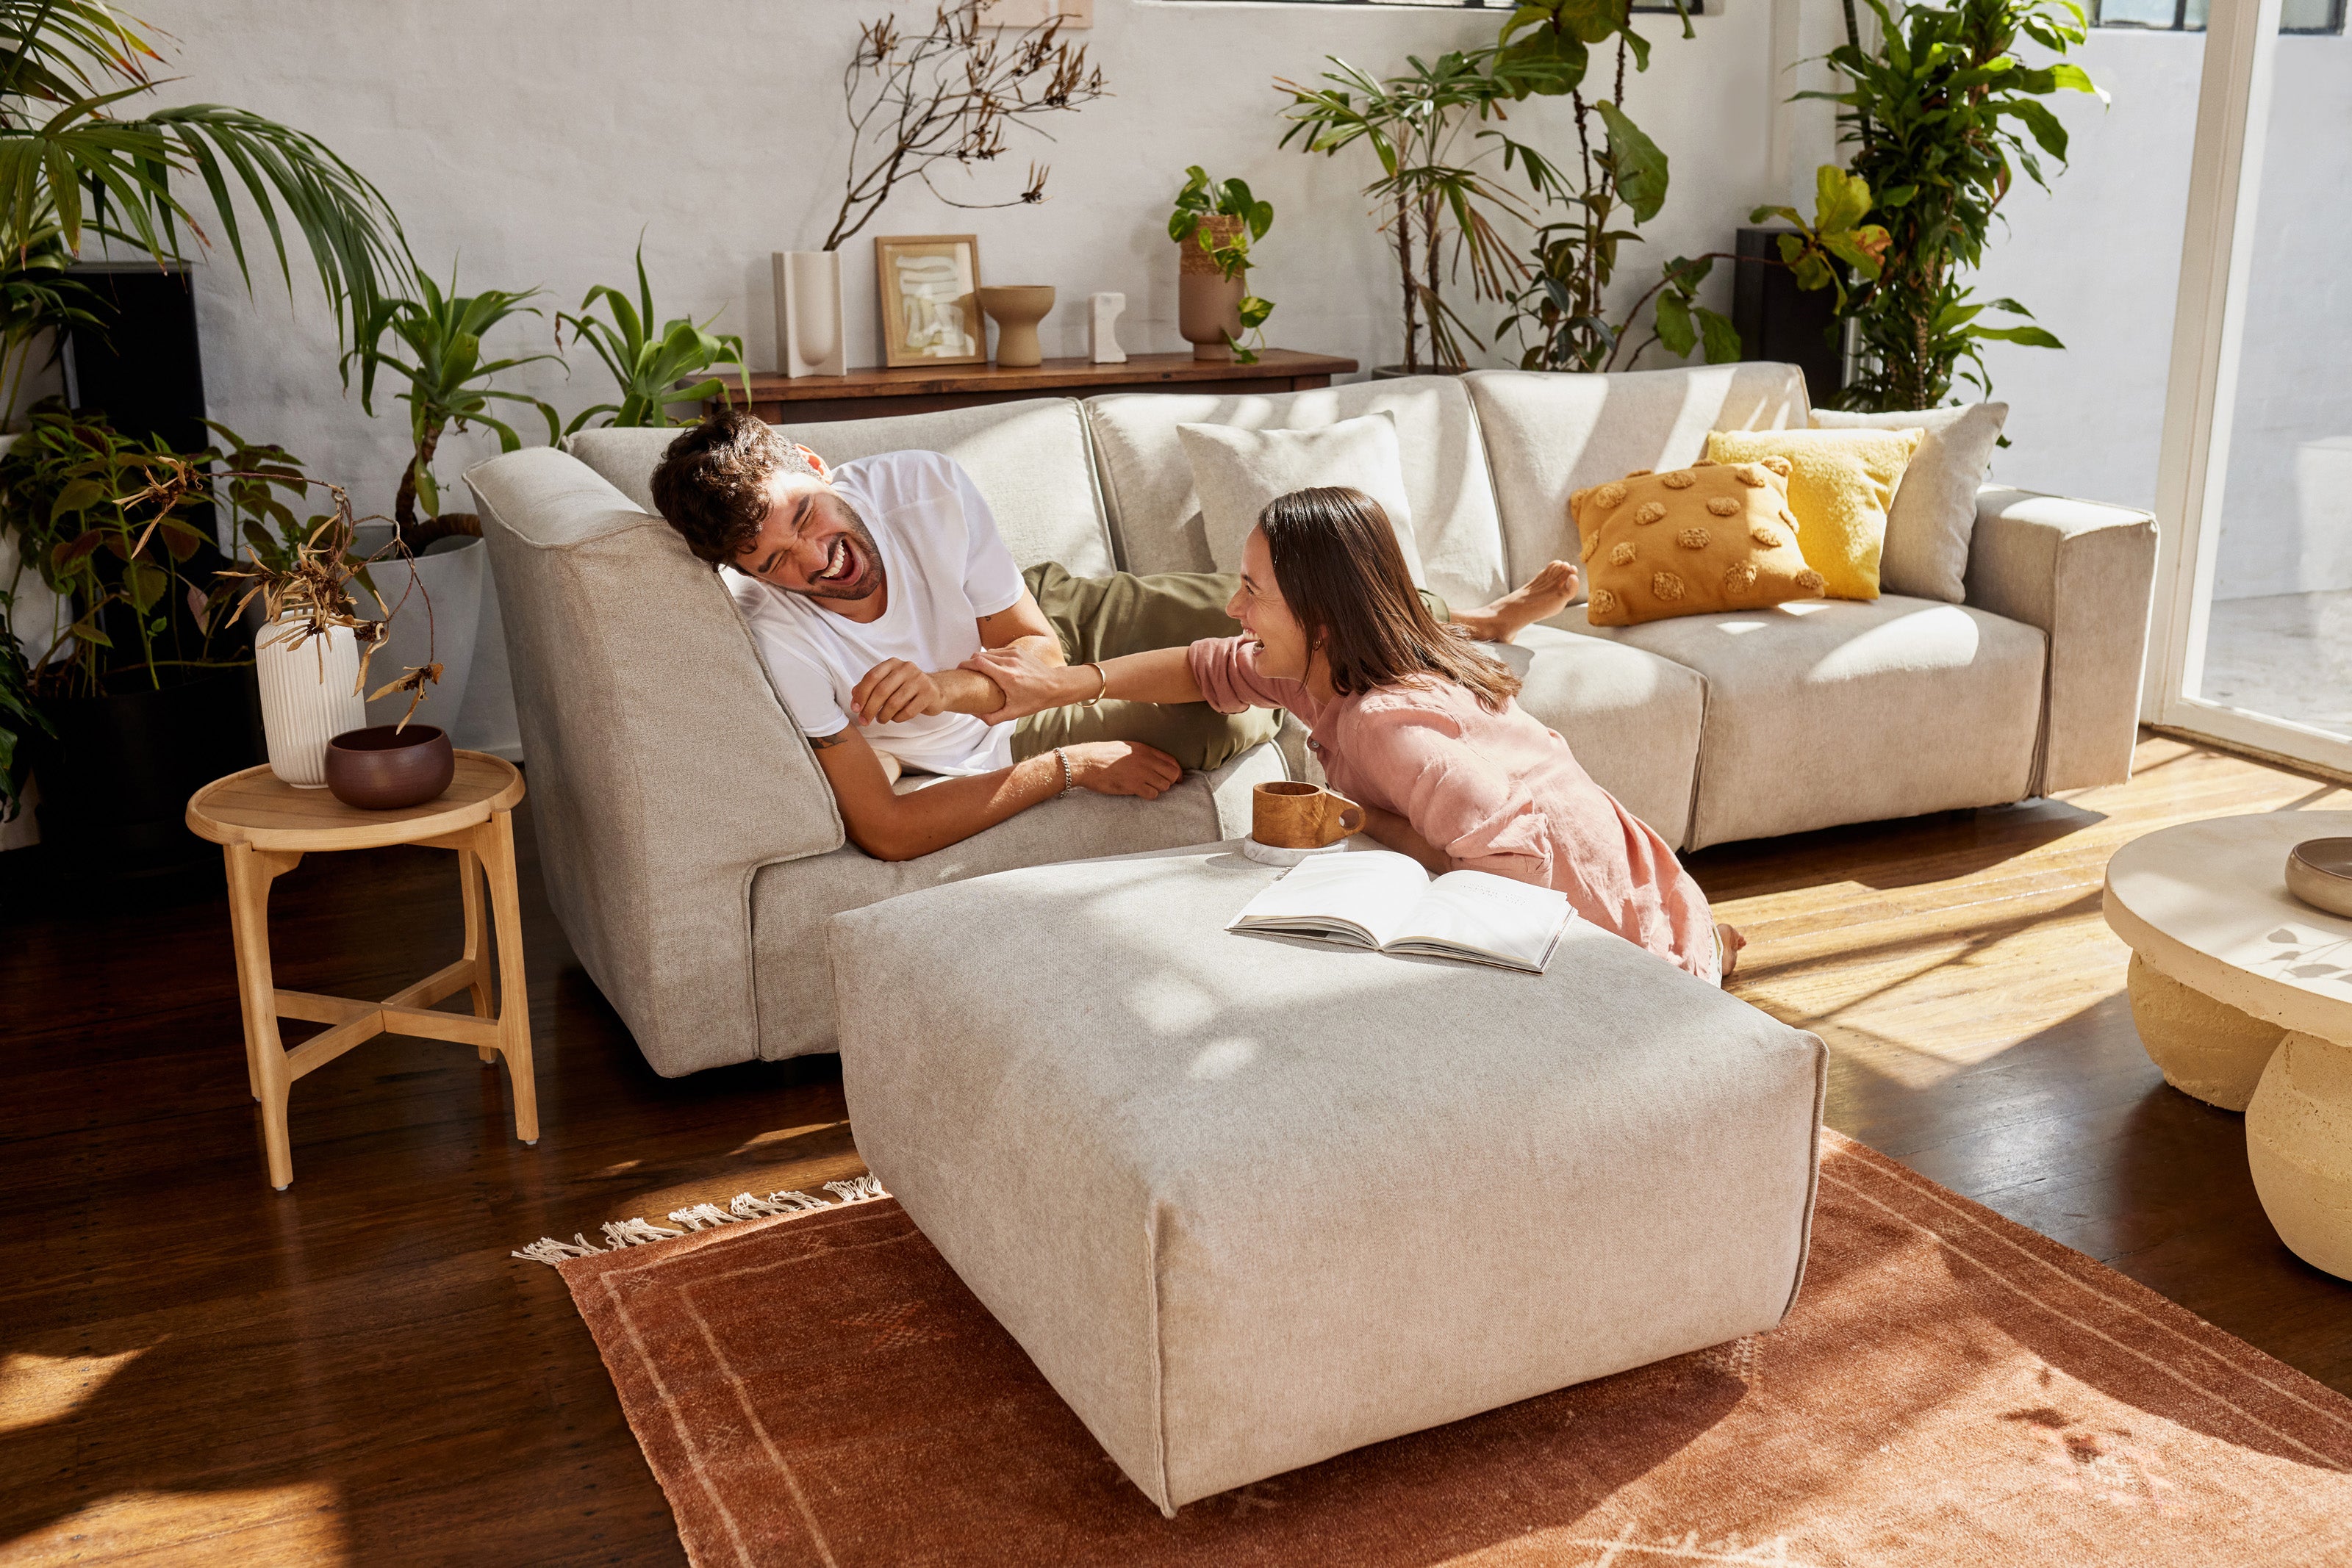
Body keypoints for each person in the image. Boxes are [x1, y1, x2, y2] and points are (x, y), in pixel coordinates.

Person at [647, 410, 1585, 863]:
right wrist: (1072, 762)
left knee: (1258, 602)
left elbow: (1040, 652)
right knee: (1229, 706)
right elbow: (886, 828)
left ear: (815, 465)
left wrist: (942, 684)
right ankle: (1430, 630)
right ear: (745, 574)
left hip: (1041, 628)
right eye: (773, 561)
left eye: (805, 515)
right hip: (1008, 732)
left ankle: (1466, 618)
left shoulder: (919, 485)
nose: (813, 561)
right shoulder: (786, 638)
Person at [967, 484, 1744, 982]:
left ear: (1321, 621)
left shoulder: (1382, 723)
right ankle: (1705, 936)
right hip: (1625, 871)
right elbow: (1203, 668)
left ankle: (1696, 952)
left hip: (1594, 933)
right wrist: (1067, 683)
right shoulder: (1327, 667)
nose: (1234, 609)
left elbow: (1518, 866)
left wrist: (1364, 820)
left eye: (1250, 590)